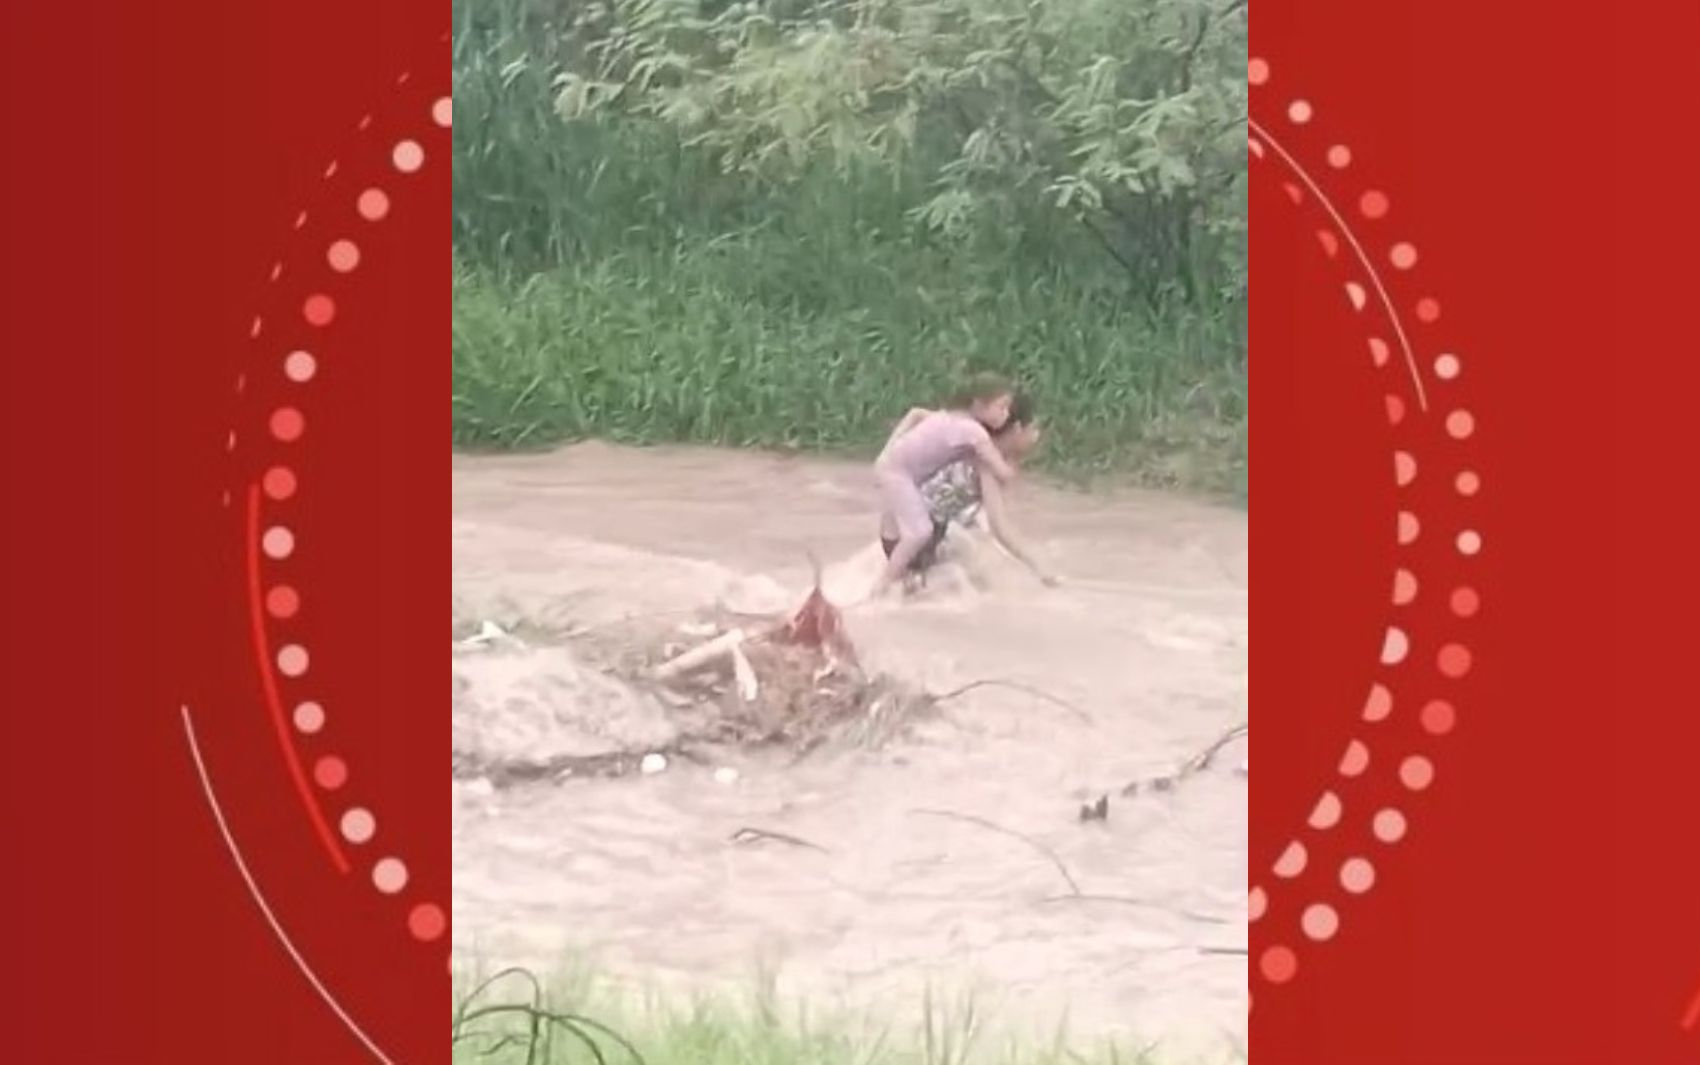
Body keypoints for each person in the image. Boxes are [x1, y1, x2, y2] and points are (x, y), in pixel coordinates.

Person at [880, 392, 1057, 590]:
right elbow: (999, 527)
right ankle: (894, 586)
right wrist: (1038, 566)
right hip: (913, 540)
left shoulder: (968, 433)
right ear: (1017, 429)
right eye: (1034, 429)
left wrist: (888, 454)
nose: (1037, 436)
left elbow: (918, 415)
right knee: (972, 584)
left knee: (973, 558)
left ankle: (899, 582)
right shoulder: (986, 462)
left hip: (899, 530)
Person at [869, 373, 1017, 599]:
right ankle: (883, 585)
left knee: (920, 529)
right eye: (1002, 407)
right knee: (919, 532)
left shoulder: (949, 417)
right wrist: (1015, 458)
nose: (1005, 414)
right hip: (899, 475)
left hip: (894, 469)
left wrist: (887, 451)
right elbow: (1003, 473)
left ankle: (903, 579)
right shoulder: (973, 432)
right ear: (979, 405)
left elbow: (916, 413)